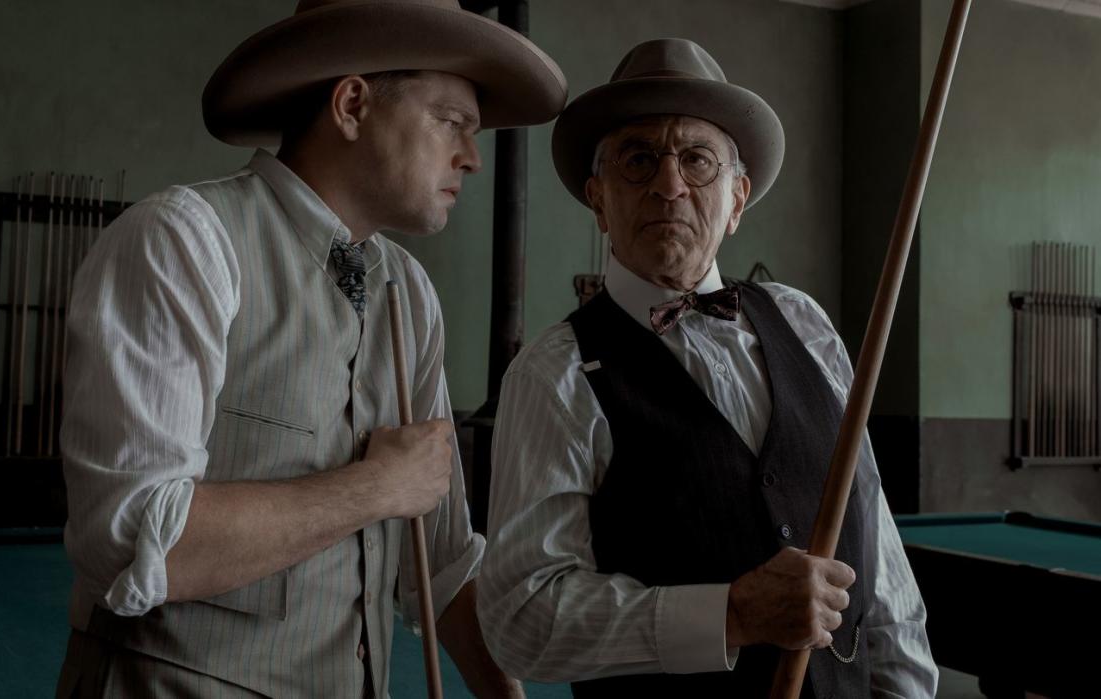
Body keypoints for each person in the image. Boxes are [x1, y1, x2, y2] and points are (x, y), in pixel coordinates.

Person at [54, 1, 566, 697]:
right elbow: (134, 537)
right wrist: (374, 488)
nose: (473, 158)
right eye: (451, 121)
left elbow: (441, 563)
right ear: (352, 104)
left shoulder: (409, 294)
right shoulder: (181, 241)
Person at [477, 38, 937, 697]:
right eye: (639, 160)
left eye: (697, 159)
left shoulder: (804, 323)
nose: (670, 185)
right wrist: (732, 613)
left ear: (738, 197)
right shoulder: (553, 372)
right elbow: (522, 620)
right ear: (599, 200)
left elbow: (879, 557)